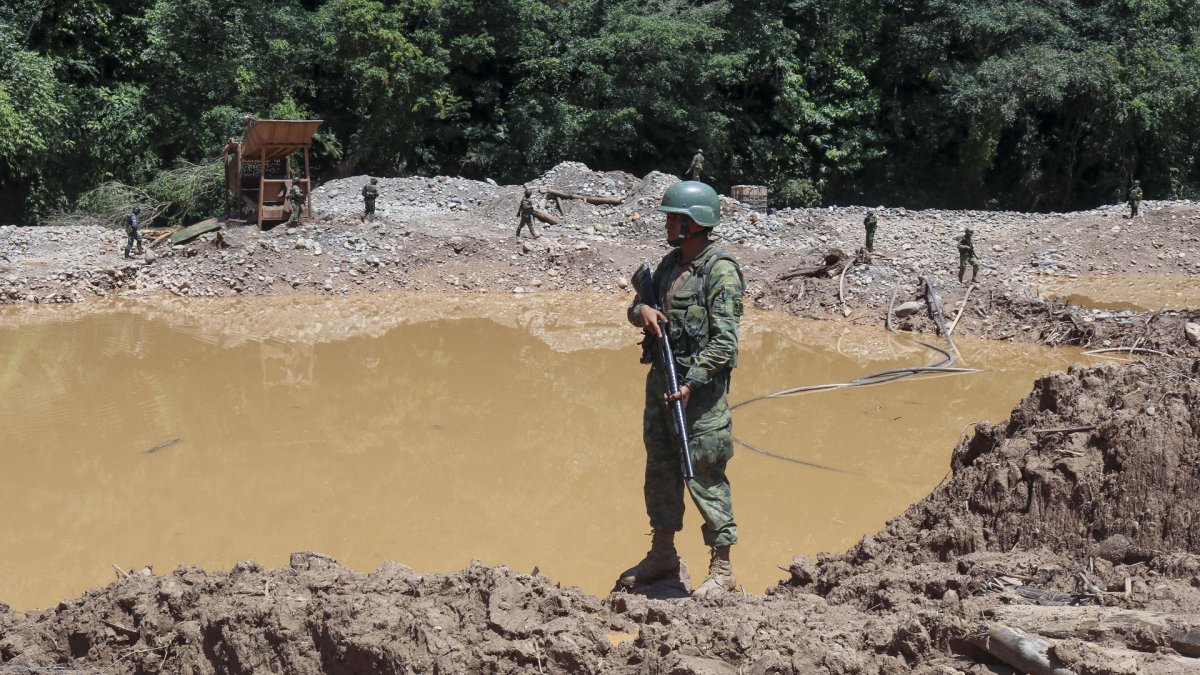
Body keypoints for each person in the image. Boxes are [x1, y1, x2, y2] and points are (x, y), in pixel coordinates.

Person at [619, 180, 745, 598]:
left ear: (697, 223)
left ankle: (722, 568)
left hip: (700, 399)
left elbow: (725, 342)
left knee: (704, 475)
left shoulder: (720, 270)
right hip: (662, 388)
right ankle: (663, 554)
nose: (669, 224)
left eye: (676, 218)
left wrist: (692, 383)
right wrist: (644, 312)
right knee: (661, 471)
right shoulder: (670, 265)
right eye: (670, 217)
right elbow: (634, 307)